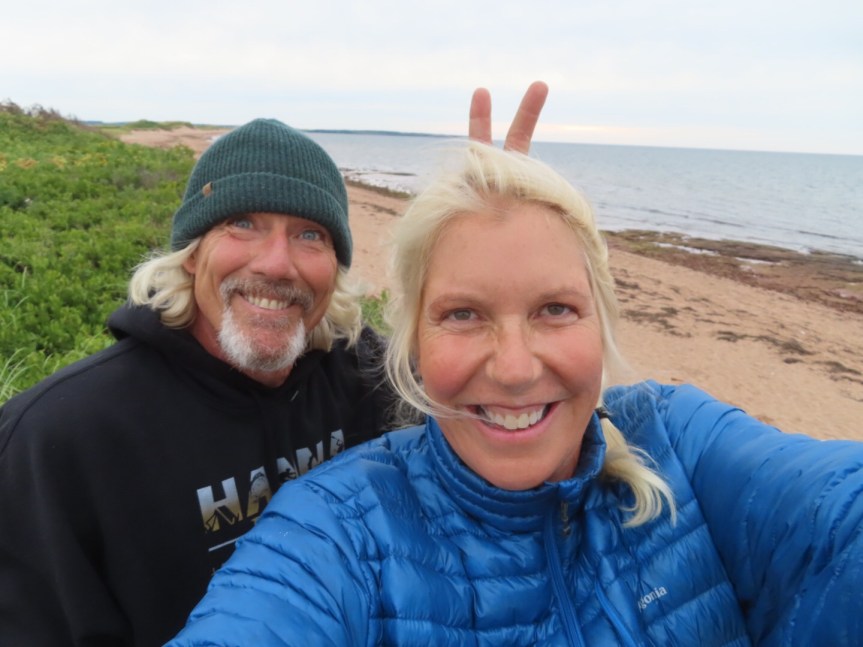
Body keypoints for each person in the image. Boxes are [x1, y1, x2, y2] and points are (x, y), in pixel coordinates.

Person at [167, 136, 863, 646]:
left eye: (554, 308)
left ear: (601, 321)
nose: (514, 367)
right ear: (413, 342)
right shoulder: (338, 528)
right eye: (463, 314)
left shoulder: (678, 439)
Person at [0, 83, 549, 647]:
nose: (277, 264)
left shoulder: (374, 381)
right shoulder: (57, 440)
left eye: (310, 234)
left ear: (335, 267)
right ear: (191, 254)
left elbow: (508, 418)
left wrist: (495, 255)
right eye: (242, 224)